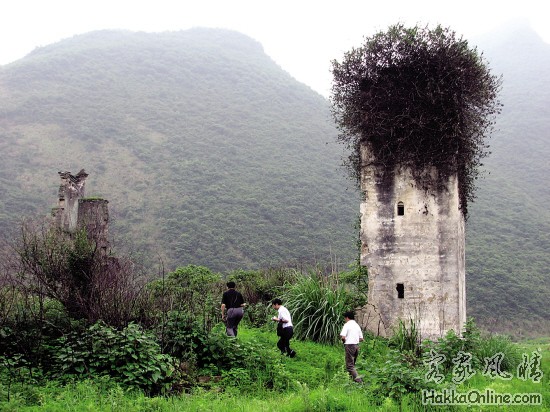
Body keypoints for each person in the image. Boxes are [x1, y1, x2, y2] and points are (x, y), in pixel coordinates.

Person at [340, 311, 364, 383]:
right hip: (356, 346)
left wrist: (345, 342)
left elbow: (343, 337)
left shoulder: (347, 325)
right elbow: (361, 339)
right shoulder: (357, 325)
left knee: (350, 366)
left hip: (349, 345)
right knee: (352, 365)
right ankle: (351, 381)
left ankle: (360, 382)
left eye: (345, 318)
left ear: (347, 318)